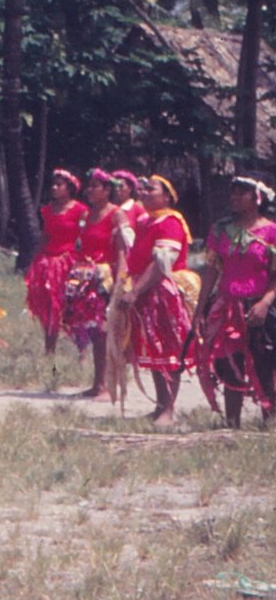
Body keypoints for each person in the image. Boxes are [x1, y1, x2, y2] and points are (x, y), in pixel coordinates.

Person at [193, 177, 276, 428]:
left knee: (265, 365)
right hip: (227, 307)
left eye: (242, 193)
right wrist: (199, 310)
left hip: (260, 308)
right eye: (233, 193)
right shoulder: (220, 230)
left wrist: (264, 304)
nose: (234, 197)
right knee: (229, 364)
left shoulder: (272, 231)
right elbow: (211, 272)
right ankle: (232, 426)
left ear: (257, 198)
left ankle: (270, 425)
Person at [113, 175, 196, 425]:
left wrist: (136, 292)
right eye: (144, 189)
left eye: (151, 189)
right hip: (145, 291)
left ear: (167, 197)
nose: (145, 192)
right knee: (155, 351)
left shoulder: (170, 222)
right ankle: (161, 405)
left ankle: (168, 410)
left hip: (162, 294)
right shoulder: (144, 221)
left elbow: (161, 264)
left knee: (168, 351)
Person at [63, 169, 121, 398]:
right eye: (89, 186)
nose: (89, 190)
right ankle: (98, 383)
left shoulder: (116, 215)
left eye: (95, 186)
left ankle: (107, 384)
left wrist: (119, 282)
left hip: (106, 278)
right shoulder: (86, 215)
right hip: (86, 278)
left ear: (107, 190)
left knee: (105, 331)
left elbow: (122, 252)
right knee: (94, 331)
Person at [25, 169, 89, 356]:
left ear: (69, 188)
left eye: (58, 185)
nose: (54, 188)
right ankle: (49, 353)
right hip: (48, 263)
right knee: (50, 308)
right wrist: (34, 262)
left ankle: (82, 353)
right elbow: (45, 236)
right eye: (53, 184)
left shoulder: (80, 210)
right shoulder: (47, 210)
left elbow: (84, 236)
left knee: (74, 307)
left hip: (69, 262)